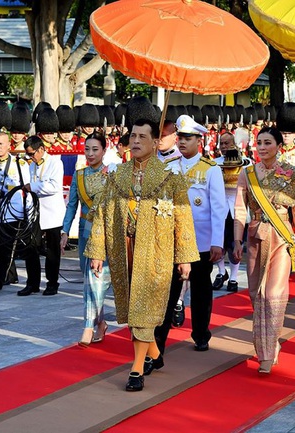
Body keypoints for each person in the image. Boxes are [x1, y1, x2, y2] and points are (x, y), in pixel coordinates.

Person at [85, 118, 199, 392]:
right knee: (131, 306)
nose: (135, 141)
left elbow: (184, 218)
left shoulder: (171, 179)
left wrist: (184, 257)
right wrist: (98, 251)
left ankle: (136, 369)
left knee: (143, 308)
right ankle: (155, 355)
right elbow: (101, 215)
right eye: (133, 136)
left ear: (155, 142)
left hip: (157, 253)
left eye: (142, 137)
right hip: (124, 250)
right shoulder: (117, 176)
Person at [232, 126, 295, 374]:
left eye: (267, 142)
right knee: (256, 294)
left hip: (282, 237)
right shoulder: (247, 173)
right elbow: (240, 210)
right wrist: (236, 241)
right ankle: (269, 341)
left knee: (273, 294)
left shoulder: (291, 175)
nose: (262, 147)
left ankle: (265, 354)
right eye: (259, 143)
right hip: (255, 236)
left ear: (278, 145)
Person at [156, 115, 227, 355]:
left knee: (200, 290)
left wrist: (218, 241)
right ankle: (160, 340)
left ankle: (200, 334)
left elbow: (219, 208)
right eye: (181, 137)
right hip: (173, 240)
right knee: (170, 291)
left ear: (199, 140)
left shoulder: (210, 170)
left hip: (201, 240)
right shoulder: (169, 166)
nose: (183, 141)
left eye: (188, 138)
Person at [61, 132, 113, 346]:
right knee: (91, 281)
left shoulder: (112, 174)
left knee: (95, 281)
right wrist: (65, 231)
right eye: (87, 149)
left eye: (95, 149)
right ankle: (100, 323)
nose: (90, 154)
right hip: (85, 233)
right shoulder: (79, 175)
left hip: (105, 236)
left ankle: (87, 326)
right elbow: (72, 205)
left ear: (104, 150)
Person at [0, 132, 31, 291]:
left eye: (1, 144)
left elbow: (27, 187)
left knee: (8, 246)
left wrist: (28, 212)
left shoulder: (20, 164)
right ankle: (10, 275)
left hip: (12, 211)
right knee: (0, 245)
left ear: (8, 144)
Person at [29, 119, 65, 296]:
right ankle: (32, 282)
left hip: (52, 213)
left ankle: (52, 282)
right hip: (36, 212)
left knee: (52, 250)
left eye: (32, 154)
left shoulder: (55, 163)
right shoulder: (31, 165)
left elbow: (53, 187)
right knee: (31, 246)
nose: (31, 157)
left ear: (41, 149)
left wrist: (33, 187)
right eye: (28, 155)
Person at [212, 131, 247, 292]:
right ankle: (221, 271)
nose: (224, 147)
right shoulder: (213, 164)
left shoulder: (246, 163)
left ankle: (233, 277)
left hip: (237, 208)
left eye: (228, 143)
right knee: (218, 243)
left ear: (234, 144)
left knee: (235, 245)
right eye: (222, 144)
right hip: (218, 209)